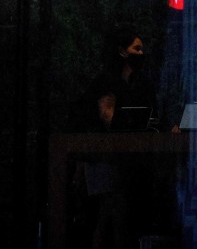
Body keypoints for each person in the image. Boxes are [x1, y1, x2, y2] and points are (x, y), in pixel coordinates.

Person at [67, 26, 161, 249]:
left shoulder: (141, 84)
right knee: (109, 212)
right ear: (122, 51)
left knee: (112, 213)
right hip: (104, 157)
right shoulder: (106, 81)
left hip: (122, 159)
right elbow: (104, 117)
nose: (140, 53)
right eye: (136, 48)